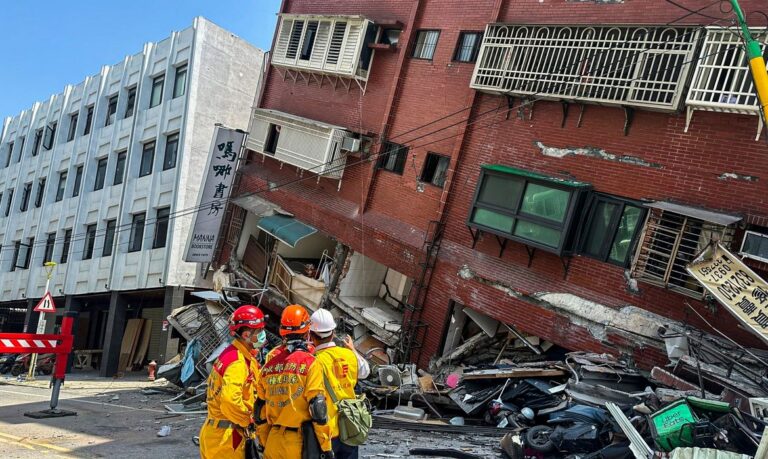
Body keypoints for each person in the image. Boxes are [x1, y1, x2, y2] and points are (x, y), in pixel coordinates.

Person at [255, 304, 334, 459]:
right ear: (307, 333)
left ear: (283, 333)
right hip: (298, 443)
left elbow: (259, 411)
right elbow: (318, 408)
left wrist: (264, 443)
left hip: (273, 441)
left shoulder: (268, 367)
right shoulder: (310, 363)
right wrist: (326, 447)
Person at [199, 305, 267, 459]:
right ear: (246, 334)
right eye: (259, 331)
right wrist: (248, 420)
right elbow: (230, 401)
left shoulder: (230, 354)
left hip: (217, 434)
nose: (262, 335)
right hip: (227, 439)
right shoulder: (237, 362)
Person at [309, 308, 370, 459]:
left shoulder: (313, 361)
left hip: (326, 431)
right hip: (349, 426)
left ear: (311, 335)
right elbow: (365, 371)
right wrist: (353, 350)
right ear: (333, 332)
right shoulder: (349, 355)